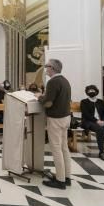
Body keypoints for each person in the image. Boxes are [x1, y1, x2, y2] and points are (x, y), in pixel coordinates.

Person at [40, 59, 72, 189]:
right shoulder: (65, 80)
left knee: (56, 148)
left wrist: (40, 97)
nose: (45, 69)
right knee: (64, 148)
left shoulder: (53, 82)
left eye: (46, 66)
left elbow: (48, 103)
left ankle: (60, 180)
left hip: (56, 119)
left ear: (52, 68)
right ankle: (66, 176)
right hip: (65, 117)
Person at [81, 85, 104, 161]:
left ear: (96, 91)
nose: (91, 92)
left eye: (93, 90)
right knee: (100, 130)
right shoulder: (84, 102)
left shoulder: (101, 102)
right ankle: (101, 152)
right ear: (87, 92)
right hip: (89, 122)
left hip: (102, 121)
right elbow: (86, 114)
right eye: (89, 91)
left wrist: (103, 121)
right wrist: (97, 121)